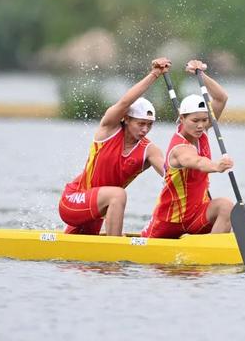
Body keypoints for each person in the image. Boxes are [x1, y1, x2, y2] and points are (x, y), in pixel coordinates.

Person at [59, 57, 171, 236]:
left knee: (80, 261)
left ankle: (110, 248)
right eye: (141, 123)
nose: (145, 129)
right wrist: (154, 74)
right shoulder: (109, 129)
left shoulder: (150, 150)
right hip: (73, 200)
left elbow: (170, 174)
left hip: (98, 211)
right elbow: (124, 103)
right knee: (118, 194)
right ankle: (116, 246)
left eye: (149, 125)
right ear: (126, 119)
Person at [142, 60, 234, 239]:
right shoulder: (179, 148)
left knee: (226, 206)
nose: (200, 126)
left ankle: (211, 252)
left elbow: (221, 98)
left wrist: (200, 74)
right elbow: (197, 161)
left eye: (204, 120)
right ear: (182, 119)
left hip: (195, 217)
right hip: (168, 223)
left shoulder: (203, 131)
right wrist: (217, 166)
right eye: (195, 121)